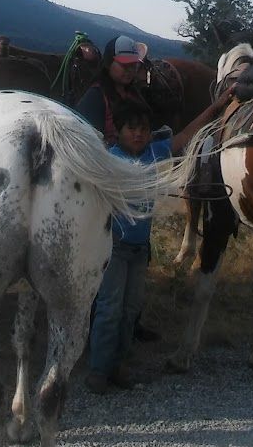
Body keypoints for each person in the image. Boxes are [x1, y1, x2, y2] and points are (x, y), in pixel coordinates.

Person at [85, 90, 233, 395]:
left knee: (131, 309)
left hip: (140, 250)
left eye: (143, 129)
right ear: (119, 131)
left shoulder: (154, 153)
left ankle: (119, 364)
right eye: (131, 128)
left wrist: (217, 106)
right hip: (114, 249)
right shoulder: (109, 159)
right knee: (109, 308)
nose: (138, 134)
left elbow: (186, 136)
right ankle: (98, 370)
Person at [76, 35, 149, 145]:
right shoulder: (96, 97)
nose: (130, 70)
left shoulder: (134, 94)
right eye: (125, 65)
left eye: (133, 65)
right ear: (109, 63)